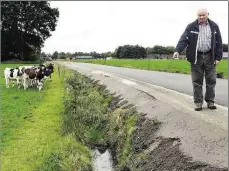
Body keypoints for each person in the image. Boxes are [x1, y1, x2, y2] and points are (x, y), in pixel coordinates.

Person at [173, 8, 223, 111]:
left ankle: (210, 101)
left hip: (210, 56)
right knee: (196, 81)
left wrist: (218, 57)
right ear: (197, 15)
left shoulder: (214, 26)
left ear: (207, 14)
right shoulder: (191, 26)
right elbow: (183, 39)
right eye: (199, 15)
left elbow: (219, 43)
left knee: (211, 80)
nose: (201, 17)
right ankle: (198, 103)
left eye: (203, 15)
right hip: (196, 57)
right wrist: (177, 50)